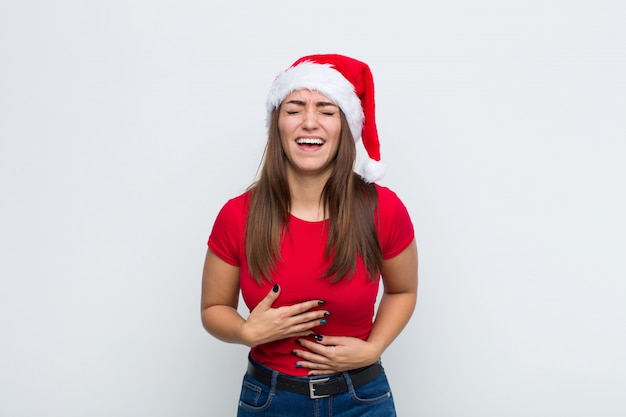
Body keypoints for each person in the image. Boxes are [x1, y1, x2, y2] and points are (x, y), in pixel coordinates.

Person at [201, 54, 418, 416]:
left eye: (327, 111)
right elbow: (213, 309)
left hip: (361, 398)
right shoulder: (237, 214)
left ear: (345, 125)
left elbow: (403, 290)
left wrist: (373, 347)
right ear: (278, 124)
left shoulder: (384, 208)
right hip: (269, 400)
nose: (309, 122)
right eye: (294, 109)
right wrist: (245, 332)